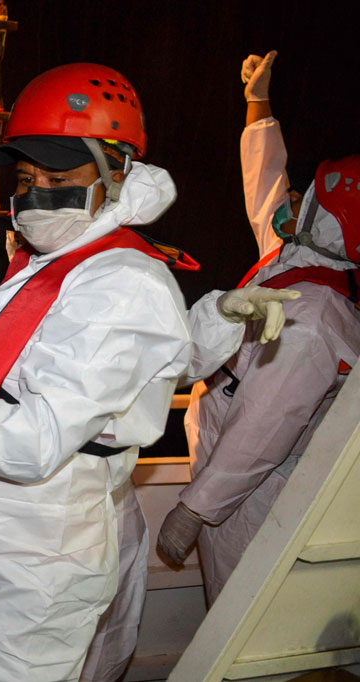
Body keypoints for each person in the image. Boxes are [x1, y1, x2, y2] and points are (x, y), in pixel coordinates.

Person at [0, 63, 298, 682]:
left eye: (59, 176)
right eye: (26, 175)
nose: (36, 191)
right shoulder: (52, 265)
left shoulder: (120, 282)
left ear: (116, 172)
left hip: (36, 559)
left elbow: (31, 438)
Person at [158, 52, 360, 605]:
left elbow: (265, 427)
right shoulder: (298, 262)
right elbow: (265, 184)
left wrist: (196, 508)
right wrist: (257, 103)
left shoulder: (314, 316)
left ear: (330, 223)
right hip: (229, 466)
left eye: (309, 198)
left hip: (251, 494)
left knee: (234, 610)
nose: (294, 197)